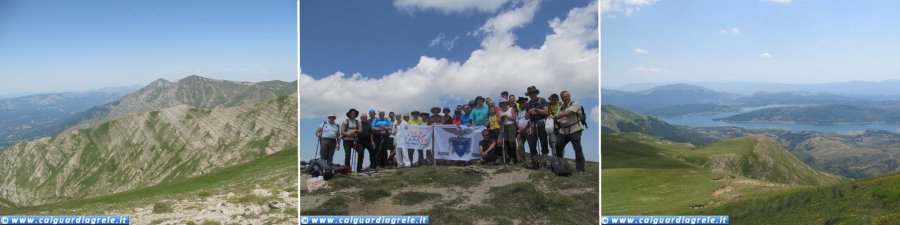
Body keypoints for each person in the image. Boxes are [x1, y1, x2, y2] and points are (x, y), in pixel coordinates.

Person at [553, 91, 586, 172]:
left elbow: (568, 113)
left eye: (566, 96)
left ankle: (580, 169)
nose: (565, 98)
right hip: (563, 130)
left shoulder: (575, 103)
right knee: (558, 146)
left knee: (577, 148)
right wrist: (559, 116)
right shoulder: (561, 107)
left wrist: (559, 115)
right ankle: (561, 165)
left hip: (575, 129)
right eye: (563, 97)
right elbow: (556, 117)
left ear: (569, 96)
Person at [524, 86, 550, 169]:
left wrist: (536, 109)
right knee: (532, 144)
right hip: (532, 124)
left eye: (533, 93)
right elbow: (526, 117)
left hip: (541, 123)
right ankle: (535, 162)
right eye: (530, 93)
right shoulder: (528, 104)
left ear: (536, 93)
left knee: (544, 142)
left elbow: (546, 112)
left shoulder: (542, 100)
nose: (532, 94)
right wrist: (529, 111)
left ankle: (544, 162)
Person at [515, 97, 528, 164]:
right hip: (520, 130)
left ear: (525, 102)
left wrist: (525, 127)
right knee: (520, 145)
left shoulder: (528, 110)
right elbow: (517, 121)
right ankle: (522, 161)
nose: (521, 103)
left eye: (522, 102)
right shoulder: (517, 111)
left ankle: (534, 161)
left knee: (532, 145)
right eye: (519, 103)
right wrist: (519, 127)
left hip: (528, 129)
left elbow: (530, 120)